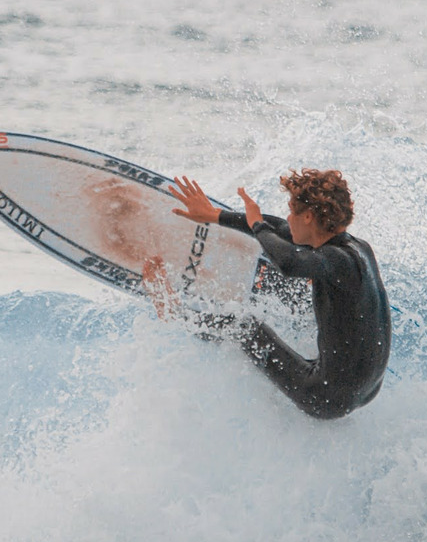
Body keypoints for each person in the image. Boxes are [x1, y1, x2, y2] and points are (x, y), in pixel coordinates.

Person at [166, 167, 391, 420]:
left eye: (292, 211)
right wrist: (216, 215)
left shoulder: (337, 260)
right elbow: (281, 228)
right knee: (297, 286)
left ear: (307, 217)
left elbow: (289, 262)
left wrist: (257, 224)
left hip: (324, 396)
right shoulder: (357, 248)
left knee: (246, 327)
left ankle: (177, 314)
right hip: (366, 389)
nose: (289, 218)